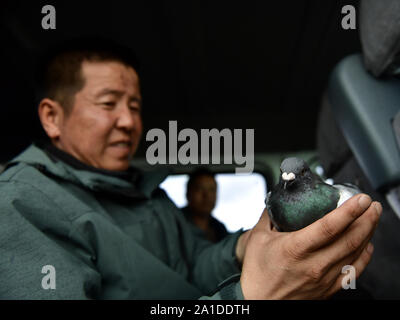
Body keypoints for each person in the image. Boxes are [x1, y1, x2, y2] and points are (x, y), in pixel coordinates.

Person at [0, 38, 382, 299]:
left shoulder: (150, 196)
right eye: (108, 103)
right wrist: (248, 296)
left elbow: (194, 269)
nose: (128, 121)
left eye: (134, 106)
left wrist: (242, 248)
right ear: (52, 117)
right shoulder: (20, 205)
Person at [181, 168, 229, 243]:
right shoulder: (174, 223)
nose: (207, 196)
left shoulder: (220, 229)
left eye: (212, 190)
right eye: (200, 189)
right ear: (188, 193)